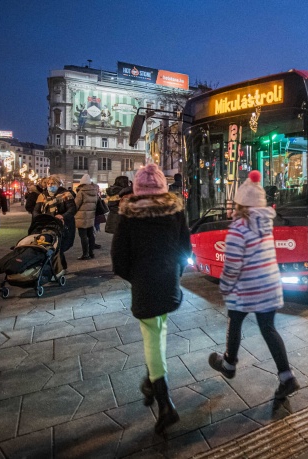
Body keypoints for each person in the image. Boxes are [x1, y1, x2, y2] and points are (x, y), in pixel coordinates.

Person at [111, 163, 191, 434]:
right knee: (159, 330)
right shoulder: (175, 212)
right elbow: (185, 250)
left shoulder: (129, 215)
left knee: (152, 336)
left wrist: (137, 277)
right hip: (169, 280)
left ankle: (165, 402)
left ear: (137, 189)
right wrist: (174, 273)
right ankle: (150, 380)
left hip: (144, 285)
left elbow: (118, 259)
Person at [208, 170, 300, 400]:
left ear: (241, 205)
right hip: (269, 286)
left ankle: (229, 365)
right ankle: (287, 377)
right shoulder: (265, 224)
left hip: (246, 289)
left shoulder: (239, 229)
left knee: (234, 319)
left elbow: (232, 265)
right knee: (269, 329)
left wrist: (226, 286)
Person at [34, 175, 77, 276]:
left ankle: (59, 269)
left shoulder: (66, 194)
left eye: (53, 184)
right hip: (47, 224)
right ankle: (58, 268)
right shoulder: (42, 195)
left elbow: (72, 209)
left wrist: (62, 216)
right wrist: (38, 218)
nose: (50, 186)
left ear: (58, 184)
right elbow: (36, 210)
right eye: (48, 184)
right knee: (50, 246)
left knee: (59, 246)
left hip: (63, 225)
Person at [74, 174, 99, 260]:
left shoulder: (81, 192)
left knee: (83, 236)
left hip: (81, 217)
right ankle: (91, 253)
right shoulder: (95, 192)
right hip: (91, 216)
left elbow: (75, 205)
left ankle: (85, 254)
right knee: (90, 234)